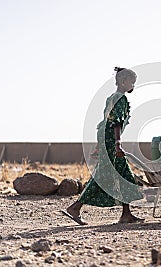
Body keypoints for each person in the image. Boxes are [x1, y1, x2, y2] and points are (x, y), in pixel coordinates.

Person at [61, 67, 144, 225]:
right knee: (107, 175)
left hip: (105, 138)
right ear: (123, 81)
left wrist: (100, 145)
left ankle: (126, 214)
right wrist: (118, 144)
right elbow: (115, 122)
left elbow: (103, 124)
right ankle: (75, 207)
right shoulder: (121, 99)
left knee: (121, 173)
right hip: (112, 140)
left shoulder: (111, 97)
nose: (133, 85)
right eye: (132, 82)